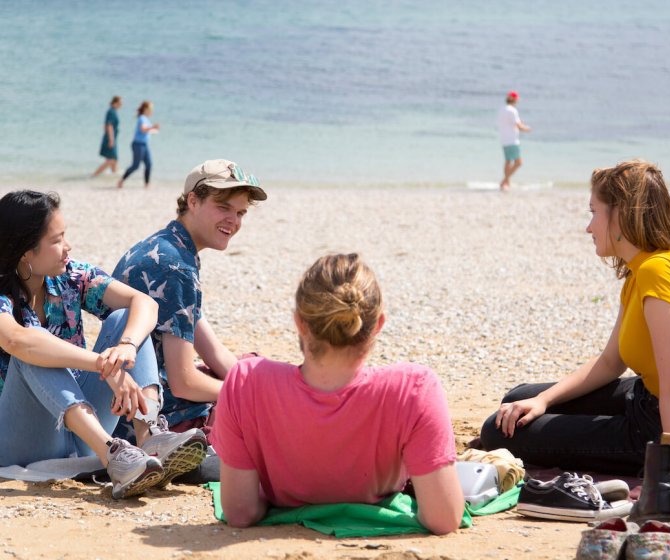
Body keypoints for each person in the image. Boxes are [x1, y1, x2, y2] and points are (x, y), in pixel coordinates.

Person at [477, 160, 670, 474]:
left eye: (594, 212)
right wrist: (544, 401)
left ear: (620, 214)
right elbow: (610, 362)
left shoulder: (658, 272)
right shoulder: (640, 272)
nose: (588, 227)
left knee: (498, 431)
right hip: (646, 396)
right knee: (519, 399)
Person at [211, 253, 465, 534]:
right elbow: (443, 518)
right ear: (378, 324)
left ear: (300, 322)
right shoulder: (414, 388)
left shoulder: (246, 382)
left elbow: (240, 512)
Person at [0, 190, 207, 499]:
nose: (67, 247)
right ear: (25, 252)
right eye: (56, 241)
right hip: (21, 440)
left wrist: (126, 346)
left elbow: (144, 303)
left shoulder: (70, 277)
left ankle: (149, 434)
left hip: (81, 434)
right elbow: (16, 340)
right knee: (34, 347)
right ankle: (114, 457)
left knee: (125, 319)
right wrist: (102, 365)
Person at [112, 159, 267, 441]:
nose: (234, 221)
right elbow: (183, 383)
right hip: (147, 415)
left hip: (131, 397)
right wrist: (247, 394)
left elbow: (212, 350)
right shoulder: (176, 268)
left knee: (253, 370)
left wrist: (250, 384)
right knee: (253, 413)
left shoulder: (166, 244)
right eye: (224, 207)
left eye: (241, 212)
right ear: (193, 201)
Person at [117, 100, 159, 189]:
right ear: (145, 109)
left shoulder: (146, 119)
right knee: (135, 166)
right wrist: (152, 127)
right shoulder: (142, 118)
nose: (152, 111)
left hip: (144, 145)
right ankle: (121, 181)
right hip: (138, 145)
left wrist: (153, 130)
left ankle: (147, 185)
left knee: (149, 164)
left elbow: (146, 131)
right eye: (151, 109)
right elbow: (143, 129)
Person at [497, 90, 530, 191]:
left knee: (508, 161)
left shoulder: (502, 109)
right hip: (512, 139)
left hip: (504, 139)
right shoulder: (512, 110)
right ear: (514, 99)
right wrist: (528, 129)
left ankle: (507, 182)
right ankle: (504, 180)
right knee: (518, 162)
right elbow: (519, 125)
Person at [93, 95, 122, 176]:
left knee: (114, 160)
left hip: (112, 138)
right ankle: (94, 175)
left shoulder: (113, 111)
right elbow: (109, 125)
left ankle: (114, 176)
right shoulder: (111, 112)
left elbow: (105, 126)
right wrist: (111, 139)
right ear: (115, 103)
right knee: (111, 160)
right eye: (120, 103)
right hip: (110, 138)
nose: (121, 105)